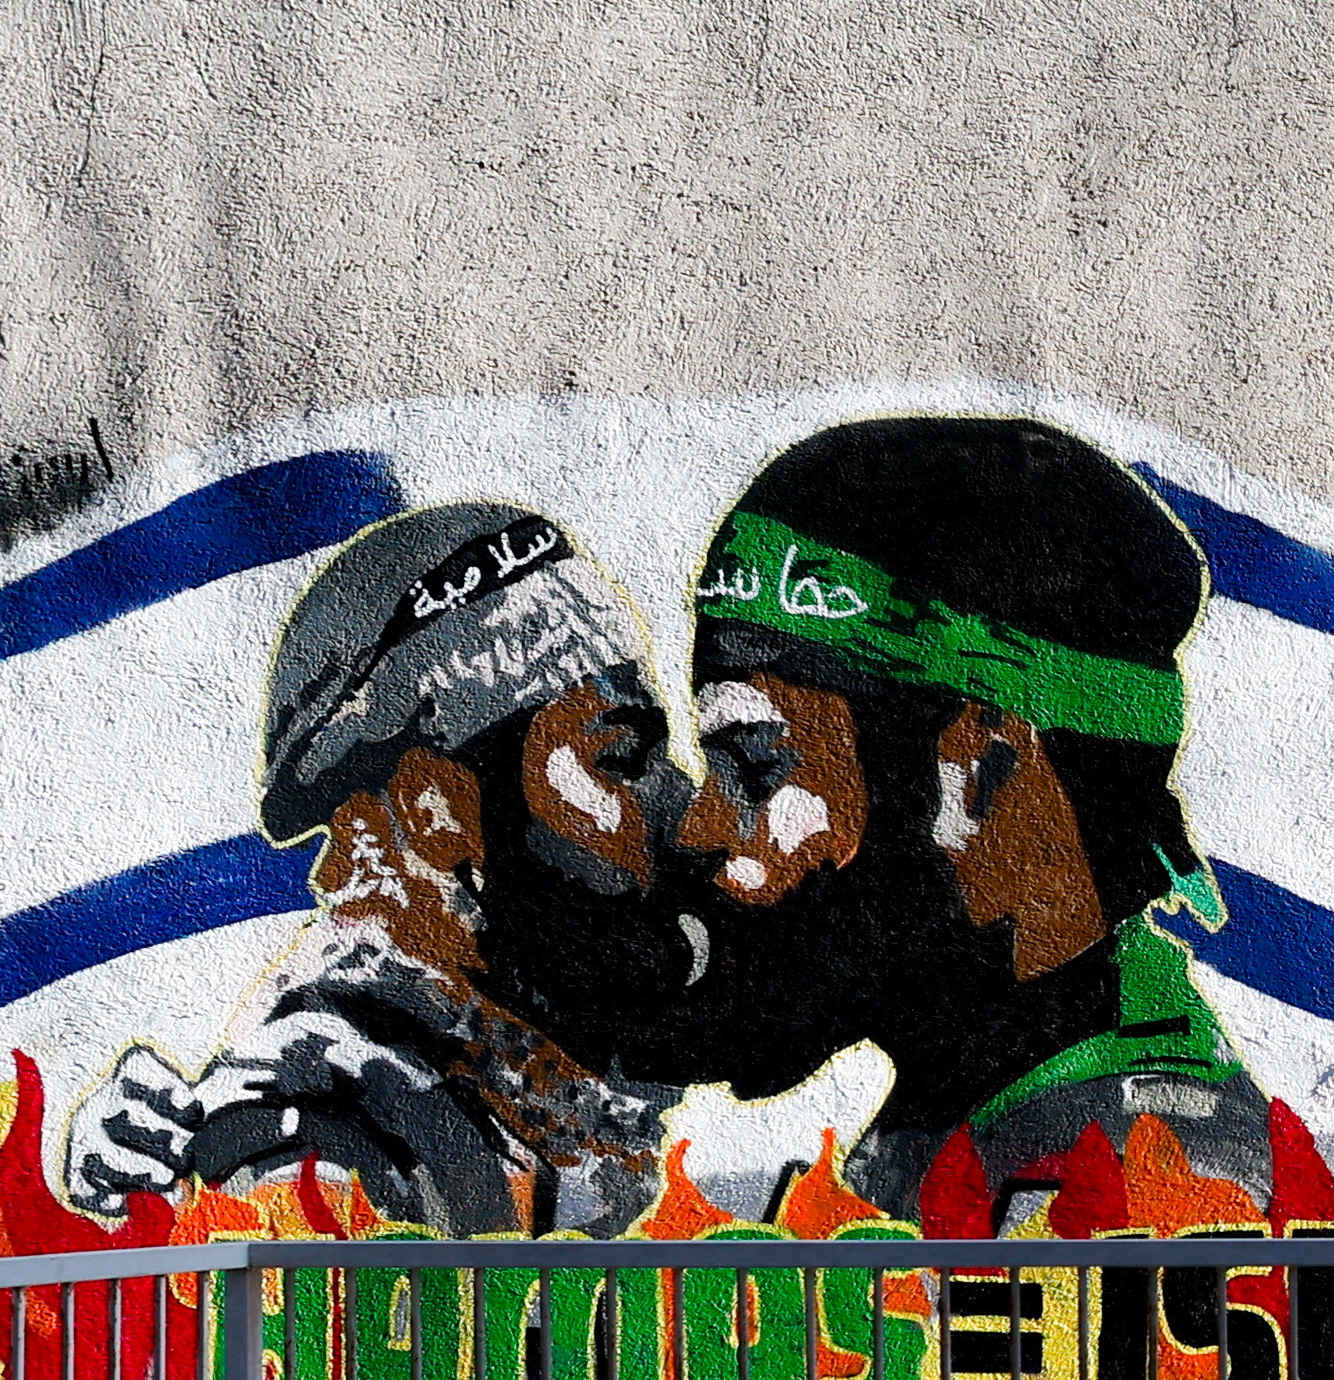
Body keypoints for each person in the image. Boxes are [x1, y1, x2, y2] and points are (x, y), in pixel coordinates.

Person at [673, 415, 1267, 1223]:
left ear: (983, 772)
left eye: (756, 760)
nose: (700, 827)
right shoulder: (986, 1132)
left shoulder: (1120, 1192)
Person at [65, 504, 707, 1231]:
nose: (688, 805)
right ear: (437, 811)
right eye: (622, 759)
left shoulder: (536, 1092)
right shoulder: (322, 1147)